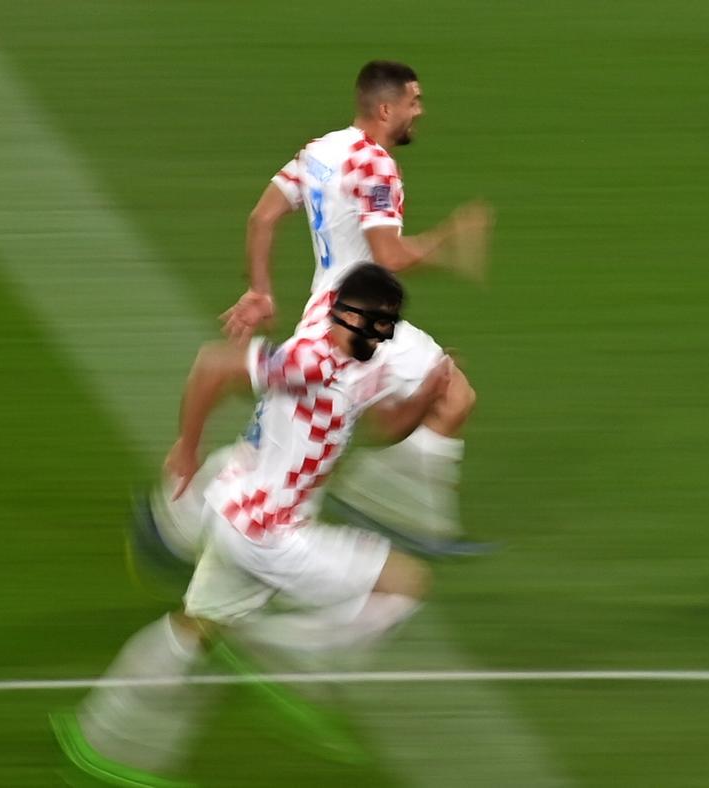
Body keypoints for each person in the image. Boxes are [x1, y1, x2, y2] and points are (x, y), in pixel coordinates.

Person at [54, 264, 452, 786]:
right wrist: (187, 447)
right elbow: (214, 366)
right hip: (272, 534)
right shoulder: (311, 360)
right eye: (379, 323)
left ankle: (100, 740)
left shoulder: (349, 355)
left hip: (232, 512)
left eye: (389, 325)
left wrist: (428, 394)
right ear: (349, 315)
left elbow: (387, 423)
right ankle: (283, 659)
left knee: (194, 628)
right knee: (405, 585)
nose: (385, 335)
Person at [219, 59, 492, 550]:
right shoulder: (376, 164)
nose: (420, 111)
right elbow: (389, 254)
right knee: (455, 394)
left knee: (303, 430)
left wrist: (259, 292)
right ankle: (394, 508)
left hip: (321, 319)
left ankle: (387, 502)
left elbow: (262, 218)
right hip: (359, 321)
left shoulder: (319, 150)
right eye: (414, 101)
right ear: (386, 108)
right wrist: (448, 244)